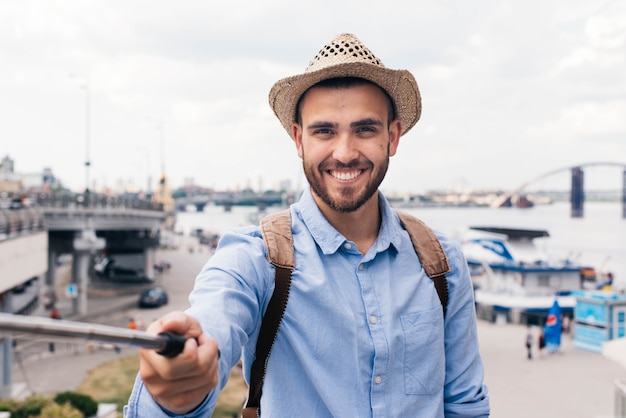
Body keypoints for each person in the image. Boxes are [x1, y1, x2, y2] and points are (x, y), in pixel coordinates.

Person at [124, 33, 490, 417]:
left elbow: (465, 405)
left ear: (392, 136)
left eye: (364, 129)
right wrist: (179, 385)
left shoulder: (442, 262)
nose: (345, 152)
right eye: (324, 131)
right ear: (298, 139)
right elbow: (214, 320)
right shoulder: (256, 258)